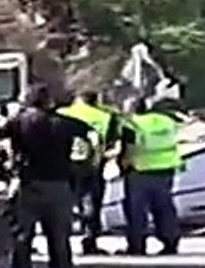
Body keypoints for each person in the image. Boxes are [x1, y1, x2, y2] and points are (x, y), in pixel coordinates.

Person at [0, 83, 93, 268]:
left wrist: (5, 167)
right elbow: (91, 138)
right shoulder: (68, 124)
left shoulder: (19, 122)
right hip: (60, 185)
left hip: (29, 184)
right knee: (59, 237)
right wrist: (82, 166)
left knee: (22, 236)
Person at [57, 90, 120, 255]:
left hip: (63, 165)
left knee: (62, 204)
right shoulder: (106, 116)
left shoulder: (62, 113)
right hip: (92, 165)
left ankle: (61, 241)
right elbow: (112, 144)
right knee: (91, 203)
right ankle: (89, 240)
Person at [118, 96, 183, 256]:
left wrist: (124, 165)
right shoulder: (166, 121)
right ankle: (170, 242)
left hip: (140, 170)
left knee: (136, 210)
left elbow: (129, 148)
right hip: (166, 168)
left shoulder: (132, 124)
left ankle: (137, 245)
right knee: (164, 207)